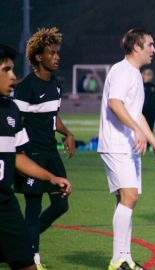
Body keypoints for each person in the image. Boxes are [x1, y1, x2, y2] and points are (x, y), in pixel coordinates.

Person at [97, 28, 155, 270]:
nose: (154, 49)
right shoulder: (121, 70)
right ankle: (118, 260)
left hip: (127, 145)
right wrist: (136, 131)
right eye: (150, 44)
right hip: (116, 144)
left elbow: (137, 116)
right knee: (129, 197)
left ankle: (125, 257)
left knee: (126, 200)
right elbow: (115, 104)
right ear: (137, 47)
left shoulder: (135, 74)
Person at [0, 44, 72, 270]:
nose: (13, 76)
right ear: (38, 57)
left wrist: (67, 133)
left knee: (60, 206)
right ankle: (32, 252)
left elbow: (52, 116)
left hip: (47, 156)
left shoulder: (55, 85)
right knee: (32, 209)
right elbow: (19, 122)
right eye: (6, 70)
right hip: (34, 153)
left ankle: (21, 242)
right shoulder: (26, 88)